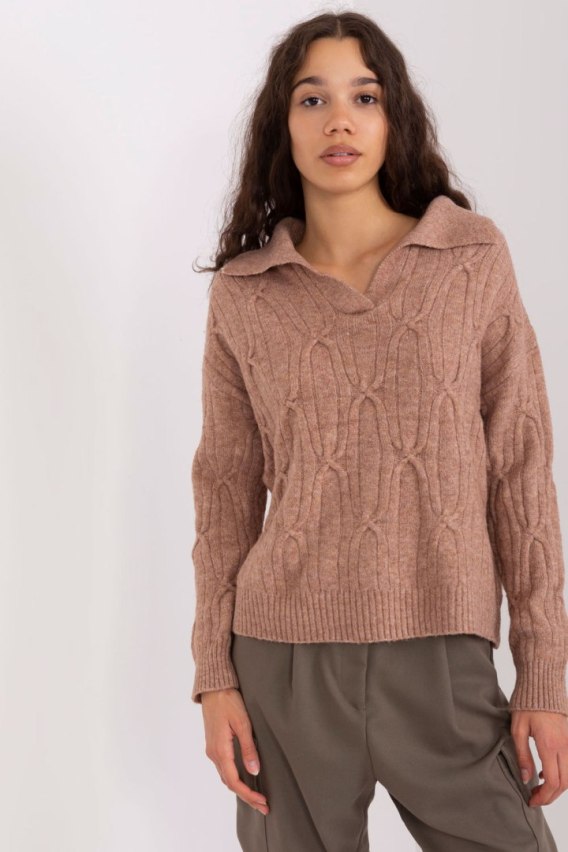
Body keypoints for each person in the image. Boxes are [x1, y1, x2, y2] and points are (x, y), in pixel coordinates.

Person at [189, 11, 568, 851]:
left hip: (444, 654)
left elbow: (521, 466)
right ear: (281, 124)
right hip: (283, 663)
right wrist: (215, 675)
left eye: (364, 97)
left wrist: (544, 675)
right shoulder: (246, 294)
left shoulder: (469, 258)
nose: (340, 120)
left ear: (395, 115)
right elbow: (223, 491)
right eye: (312, 99)